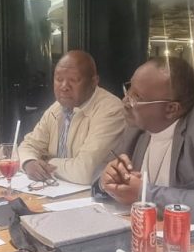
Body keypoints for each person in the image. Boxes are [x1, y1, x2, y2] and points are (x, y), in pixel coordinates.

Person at [96, 56, 194, 228]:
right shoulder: (138, 126)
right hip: (142, 232)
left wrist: (146, 194)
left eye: (137, 97)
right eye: (128, 90)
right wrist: (105, 181)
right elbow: (98, 180)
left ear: (171, 109)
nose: (125, 101)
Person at [18, 51, 124, 185]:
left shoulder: (110, 110)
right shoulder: (57, 107)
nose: (64, 87)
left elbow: (84, 171)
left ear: (94, 82)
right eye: (59, 79)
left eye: (73, 80)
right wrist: (29, 162)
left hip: (92, 194)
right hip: (55, 189)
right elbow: (28, 145)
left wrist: (46, 163)